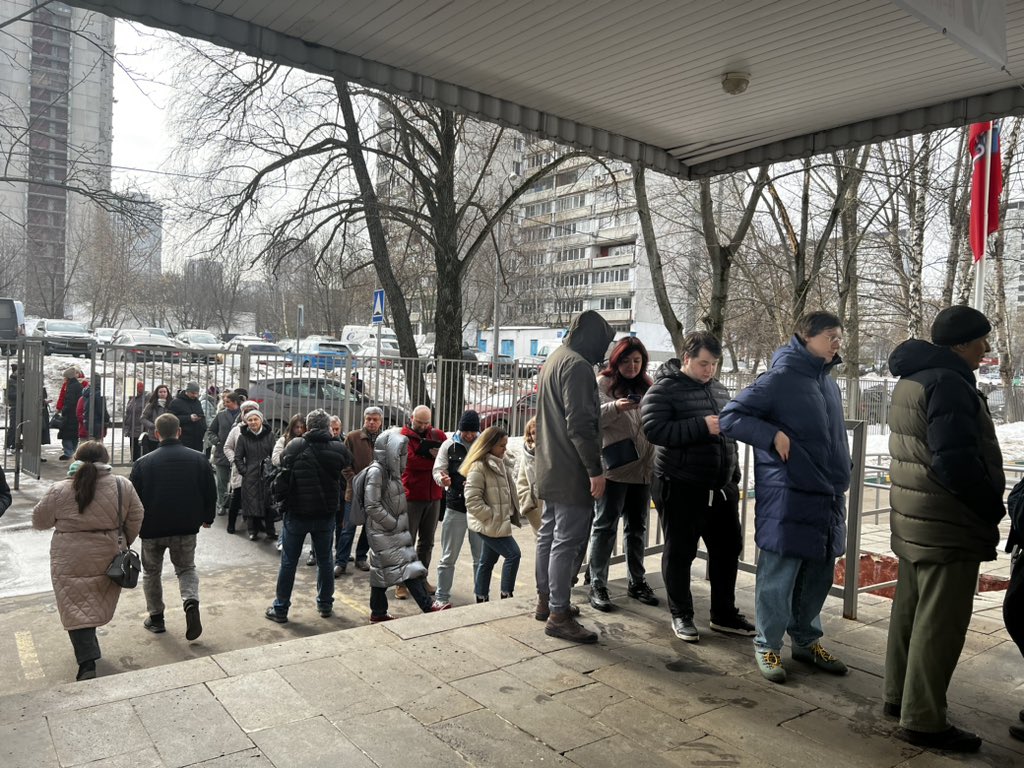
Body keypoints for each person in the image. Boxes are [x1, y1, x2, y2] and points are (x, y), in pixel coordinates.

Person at [883, 306, 1004, 753]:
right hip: (947, 523)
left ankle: (899, 698)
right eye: (980, 341)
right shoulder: (949, 384)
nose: (986, 349)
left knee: (911, 614)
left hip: (917, 518)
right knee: (941, 623)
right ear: (960, 345)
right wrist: (989, 506)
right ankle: (924, 719)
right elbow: (954, 463)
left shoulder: (913, 378)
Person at [719, 311, 851, 684]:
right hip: (789, 494)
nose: (837, 343)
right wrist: (771, 436)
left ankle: (807, 641)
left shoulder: (827, 383)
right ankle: (767, 645)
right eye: (830, 336)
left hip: (826, 492)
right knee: (779, 575)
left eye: (839, 336)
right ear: (806, 337)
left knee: (818, 573)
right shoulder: (779, 378)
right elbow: (730, 417)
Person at [642, 331, 753, 642]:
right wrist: (701, 425)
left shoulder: (718, 390)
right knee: (680, 552)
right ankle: (681, 614)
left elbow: (727, 434)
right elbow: (653, 429)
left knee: (728, 549)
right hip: (679, 485)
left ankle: (724, 614)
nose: (710, 370)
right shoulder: (664, 389)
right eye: (704, 363)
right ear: (686, 359)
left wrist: (733, 477)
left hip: (719, 488)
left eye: (714, 364)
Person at [32, 441, 144, 681]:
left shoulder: (59, 489)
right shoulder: (122, 485)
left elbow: (40, 521)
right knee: (93, 600)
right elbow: (136, 515)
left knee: (75, 606)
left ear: (76, 459)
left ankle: (87, 662)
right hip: (108, 553)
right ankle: (88, 652)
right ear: (106, 458)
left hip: (68, 556)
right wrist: (123, 541)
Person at [534, 310, 615, 643]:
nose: (604, 352)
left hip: (551, 464)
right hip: (572, 469)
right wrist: (595, 470)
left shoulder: (556, 358)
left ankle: (547, 602)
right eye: (603, 343)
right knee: (566, 542)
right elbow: (580, 425)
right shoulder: (578, 366)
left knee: (549, 536)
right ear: (592, 338)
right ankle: (558, 613)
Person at [130, 413, 217, 640]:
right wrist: (207, 517)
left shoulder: (143, 463)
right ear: (180, 431)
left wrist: (132, 527)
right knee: (186, 569)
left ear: (157, 434)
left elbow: (133, 500)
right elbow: (210, 491)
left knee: (151, 572)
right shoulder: (199, 459)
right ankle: (190, 601)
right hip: (186, 526)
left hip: (152, 529)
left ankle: (156, 618)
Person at [587, 336, 657, 613]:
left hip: (643, 470)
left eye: (637, 361)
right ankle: (597, 584)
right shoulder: (603, 383)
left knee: (637, 528)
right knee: (605, 527)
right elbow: (592, 418)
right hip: (615, 469)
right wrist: (616, 406)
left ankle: (636, 581)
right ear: (616, 361)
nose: (632, 366)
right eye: (626, 360)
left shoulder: (648, 385)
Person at [265, 409, 352, 623]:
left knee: (289, 562)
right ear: (327, 426)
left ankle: (281, 608)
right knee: (325, 560)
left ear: (308, 425)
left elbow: (282, 464)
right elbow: (347, 465)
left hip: (297, 511)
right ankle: (325, 605)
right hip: (326, 513)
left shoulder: (296, 445)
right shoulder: (339, 448)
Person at [363, 429, 450, 621]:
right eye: (400, 452)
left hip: (391, 530)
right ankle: (427, 606)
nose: (403, 456)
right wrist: (392, 523)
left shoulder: (390, 471)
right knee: (406, 565)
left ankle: (378, 612)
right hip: (384, 531)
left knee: (382, 569)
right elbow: (372, 504)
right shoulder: (377, 472)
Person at [462, 426, 521, 602]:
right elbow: (472, 501)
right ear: (490, 445)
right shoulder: (479, 467)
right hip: (490, 523)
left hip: (497, 522)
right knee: (513, 554)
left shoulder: (500, 463)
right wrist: (492, 515)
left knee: (487, 562)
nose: (505, 449)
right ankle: (506, 594)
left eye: (506, 445)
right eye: (502, 446)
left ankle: (481, 598)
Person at [432, 410, 483, 606]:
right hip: (455, 507)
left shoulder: (483, 445)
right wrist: (442, 479)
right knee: (447, 557)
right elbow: (438, 469)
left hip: (478, 508)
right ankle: (441, 598)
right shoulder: (449, 445)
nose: (469, 436)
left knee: (480, 558)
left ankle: (481, 596)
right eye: (465, 432)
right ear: (460, 429)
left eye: (472, 432)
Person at [398, 405, 446, 598]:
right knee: (406, 540)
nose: (423, 426)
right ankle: (401, 582)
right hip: (412, 496)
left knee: (427, 542)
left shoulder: (437, 435)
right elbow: (410, 462)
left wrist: (436, 460)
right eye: (419, 422)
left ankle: (420, 578)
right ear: (412, 418)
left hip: (433, 495)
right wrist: (434, 462)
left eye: (426, 422)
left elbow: (447, 455)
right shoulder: (403, 437)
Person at [338, 408, 380, 576]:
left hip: (376, 493)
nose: (371, 422)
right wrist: (355, 481)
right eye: (368, 419)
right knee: (348, 527)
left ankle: (361, 557)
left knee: (369, 528)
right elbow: (344, 464)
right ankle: (341, 561)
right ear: (364, 419)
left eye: (375, 419)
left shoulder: (385, 439)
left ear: (380, 421)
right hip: (354, 492)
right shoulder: (352, 437)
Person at [234, 408, 277, 541]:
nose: (253, 422)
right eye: (250, 420)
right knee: (250, 503)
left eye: (255, 419)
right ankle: (252, 531)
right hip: (250, 475)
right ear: (246, 422)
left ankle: (271, 530)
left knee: (268, 503)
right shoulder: (243, 437)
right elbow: (238, 457)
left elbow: (274, 454)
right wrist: (244, 471)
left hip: (267, 474)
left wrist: (273, 471)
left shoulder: (269, 436)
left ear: (261, 420)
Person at [223, 399, 261, 534]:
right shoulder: (236, 430)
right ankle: (231, 523)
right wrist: (235, 460)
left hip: (256, 469)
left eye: (252, 411)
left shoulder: (262, 429)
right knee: (237, 496)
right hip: (240, 469)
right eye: (247, 411)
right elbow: (227, 447)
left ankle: (257, 525)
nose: (249, 414)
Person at [206, 391, 242, 516]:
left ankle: (235, 505)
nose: (225, 404)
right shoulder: (220, 415)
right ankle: (221, 504)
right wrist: (216, 441)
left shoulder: (242, 415)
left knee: (236, 482)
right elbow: (211, 431)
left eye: (228, 402)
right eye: (225, 402)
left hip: (238, 454)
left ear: (235, 402)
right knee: (221, 481)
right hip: (222, 453)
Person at [515, 416, 543, 532]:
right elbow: (522, 487)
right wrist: (531, 511)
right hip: (539, 513)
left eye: (539, 431)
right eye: (533, 433)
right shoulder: (528, 457)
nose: (536, 435)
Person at [168, 381, 207, 452]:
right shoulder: (176, 402)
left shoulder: (197, 402)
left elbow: (201, 415)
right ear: (187, 391)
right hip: (183, 439)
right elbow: (170, 419)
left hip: (197, 439)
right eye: (193, 393)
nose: (195, 395)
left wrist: (203, 427)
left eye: (196, 393)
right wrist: (189, 418)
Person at [56, 367, 85, 460]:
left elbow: (69, 401)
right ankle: (73, 452)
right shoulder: (77, 385)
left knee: (66, 435)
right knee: (74, 435)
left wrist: (63, 410)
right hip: (75, 414)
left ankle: (69, 453)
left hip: (70, 415)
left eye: (65, 377)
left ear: (68, 377)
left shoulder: (71, 386)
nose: (64, 379)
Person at [140, 385, 170, 456]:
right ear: (157, 393)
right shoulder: (151, 405)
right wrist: (152, 426)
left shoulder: (171, 404)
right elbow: (143, 418)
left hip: (168, 434)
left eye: (164, 392)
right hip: (154, 435)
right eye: (160, 392)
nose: (162, 394)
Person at [123, 382, 147, 463]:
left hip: (140, 426)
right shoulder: (132, 397)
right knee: (132, 446)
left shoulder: (146, 398)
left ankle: (138, 462)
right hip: (131, 426)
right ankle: (134, 461)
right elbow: (128, 412)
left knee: (139, 446)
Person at [6, 363, 20, 451]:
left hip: (22, 406)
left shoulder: (21, 380)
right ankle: (8, 445)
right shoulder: (11, 381)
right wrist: (21, 392)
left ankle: (16, 445)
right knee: (13, 427)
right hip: (14, 406)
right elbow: (10, 395)